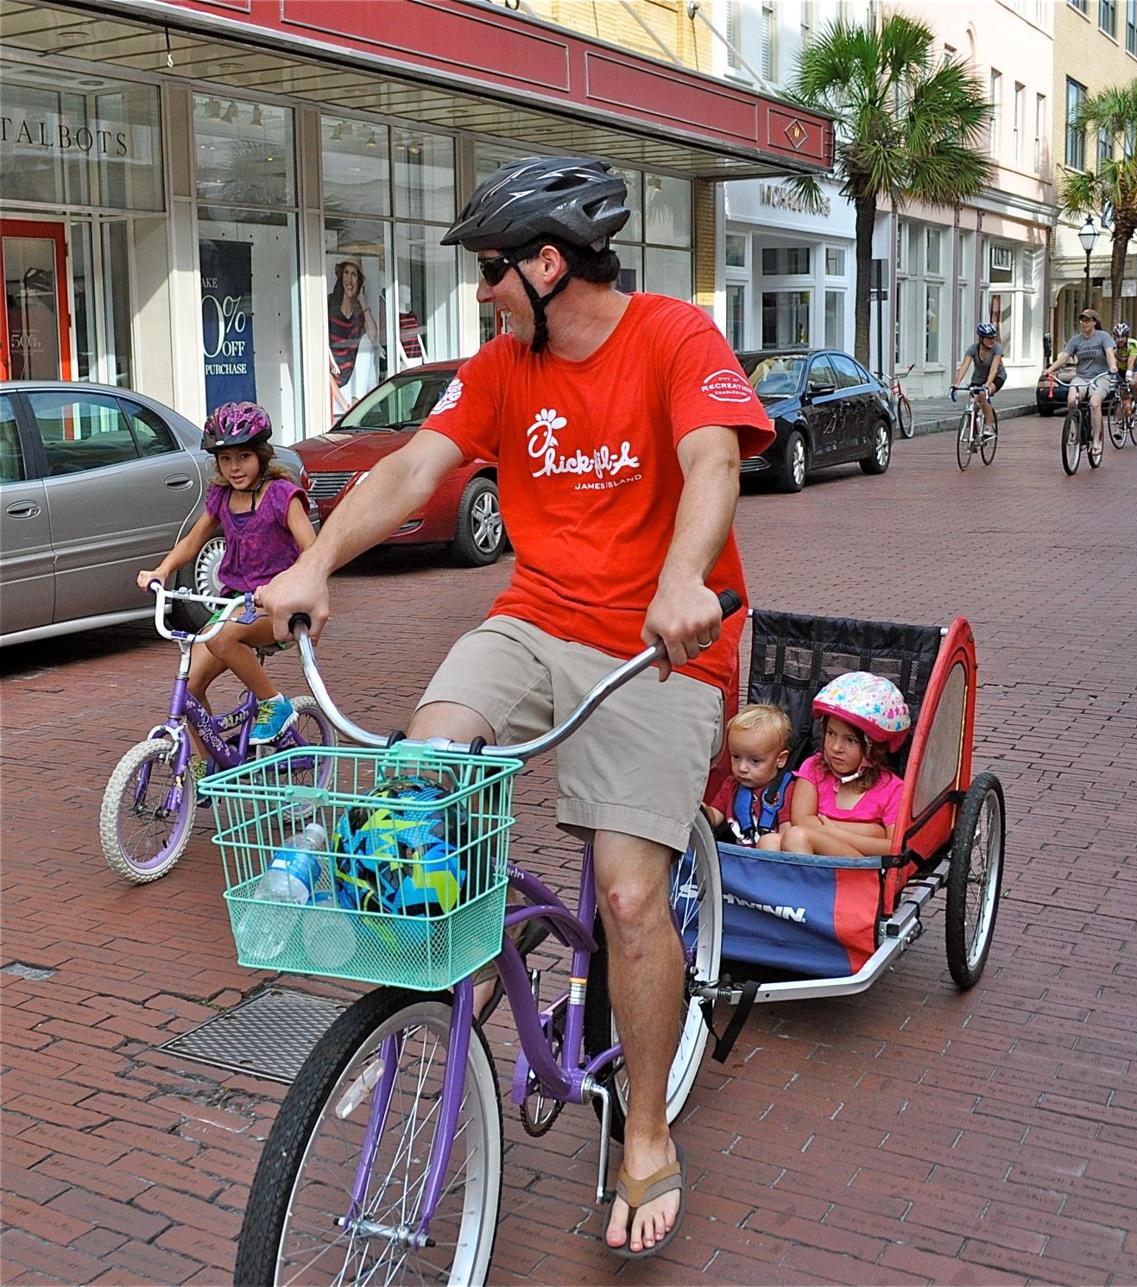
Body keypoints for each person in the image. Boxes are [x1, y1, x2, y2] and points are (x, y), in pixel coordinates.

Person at [257, 154, 774, 1259]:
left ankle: (642, 1128)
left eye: (492, 270)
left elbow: (714, 457)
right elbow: (412, 469)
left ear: (548, 264)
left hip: (661, 643)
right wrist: (319, 566)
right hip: (535, 619)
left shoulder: (676, 337)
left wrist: (686, 576)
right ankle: (434, 972)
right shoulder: (501, 366)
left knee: (633, 899)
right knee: (422, 774)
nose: (482, 292)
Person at [137, 402, 315, 764]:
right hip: (235, 604)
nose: (235, 467)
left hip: (278, 605)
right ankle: (210, 766)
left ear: (262, 456)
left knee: (222, 636)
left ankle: (274, 704)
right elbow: (192, 541)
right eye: (225, 459)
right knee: (190, 688)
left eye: (244, 456)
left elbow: (313, 550)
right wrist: (161, 569)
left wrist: (289, 586)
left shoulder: (282, 496)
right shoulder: (221, 497)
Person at [777, 672, 910, 859]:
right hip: (814, 853)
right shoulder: (814, 769)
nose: (836, 747)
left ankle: (803, 888)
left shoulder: (892, 789)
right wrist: (872, 832)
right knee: (771, 842)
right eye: (831, 734)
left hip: (859, 873)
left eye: (850, 740)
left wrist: (836, 833)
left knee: (796, 836)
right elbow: (803, 821)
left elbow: (893, 847)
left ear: (874, 748)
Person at [702, 704, 797, 850]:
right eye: (736, 757)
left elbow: (787, 832)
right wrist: (701, 810)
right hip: (739, 860)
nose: (742, 768)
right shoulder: (732, 785)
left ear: (780, 759)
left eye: (755, 761)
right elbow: (714, 817)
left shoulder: (787, 790)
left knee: (772, 842)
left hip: (770, 860)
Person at [1044, 308, 1118, 454]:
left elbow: (1109, 353)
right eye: (1083, 320)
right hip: (1082, 376)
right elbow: (1064, 357)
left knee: (1094, 403)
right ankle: (1074, 429)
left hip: (1100, 376)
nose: (1085, 323)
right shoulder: (1075, 340)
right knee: (1071, 400)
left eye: (1088, 320)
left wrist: (1113, 366)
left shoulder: (1103, 337)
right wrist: (1049, 369)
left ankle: (1096, 440)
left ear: (1095, 322)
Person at [328, 258, 379, 411]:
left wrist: (363, 301)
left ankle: (358, 402)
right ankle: (355, 405)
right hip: (334, 383)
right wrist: (344, 405)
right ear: (341, 276)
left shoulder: (358, 309)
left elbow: (373, 335)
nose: (349, 279)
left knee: (367, 342)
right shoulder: (329, 304)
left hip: (354, 382)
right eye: (346, 273)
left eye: (354, 275)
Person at [951, 322, 1006, 435]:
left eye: (993, 337)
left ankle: (989, 426)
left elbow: (994, 369)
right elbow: (964, 366)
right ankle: (974, 435)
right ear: (981, 338)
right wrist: (956, 384)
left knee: (982, 394)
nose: (992, 340)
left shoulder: (997, 349)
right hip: (978, 378)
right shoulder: (973, 349)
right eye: (989, 338)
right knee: (973, 403)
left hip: (996, 377)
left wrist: (987, 385)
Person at [1111, 322, 1137, 422]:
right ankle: (1123, 423)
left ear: (1127, 337)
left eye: (1123, 337)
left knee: (1133, 382)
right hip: (1122, 368)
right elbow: (1112, 362)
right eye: (1118, 337)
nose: (1120, 340)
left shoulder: (1133, 344)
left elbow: (1131, 361)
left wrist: (1128, 375)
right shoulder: (1111, 347)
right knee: (1123, 394)